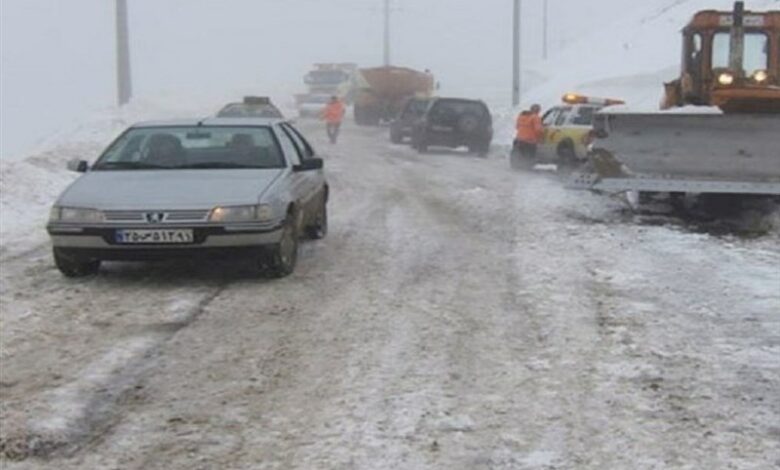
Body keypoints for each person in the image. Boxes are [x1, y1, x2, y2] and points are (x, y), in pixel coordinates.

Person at [512, 104, 544, 168]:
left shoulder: (521, 116)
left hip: (519, 140)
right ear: (538, 110)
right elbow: (538, 130)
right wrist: (541, 136)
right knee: (529, 157)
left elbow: (517, 127)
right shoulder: (536, 118)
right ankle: (527, 168)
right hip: (530, 141)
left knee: (519, 154)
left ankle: (517, 166)